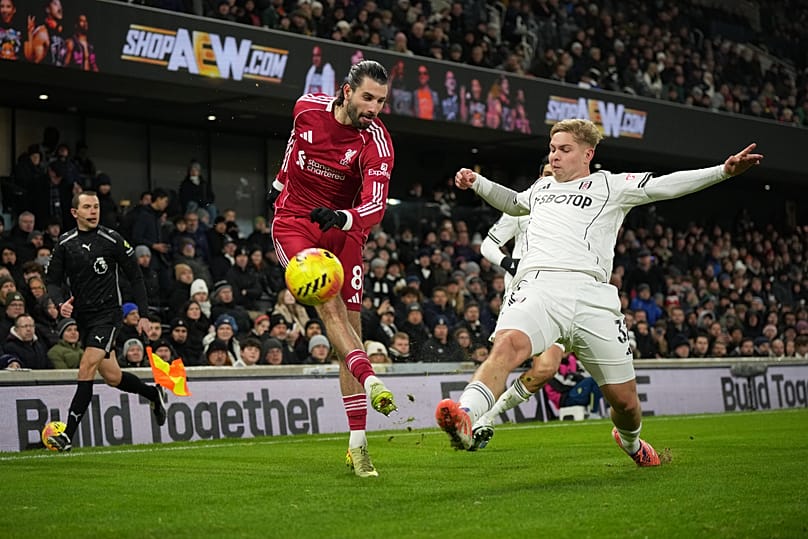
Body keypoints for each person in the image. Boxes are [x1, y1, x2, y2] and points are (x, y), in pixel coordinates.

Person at [436, 118, 762, 466]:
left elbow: (666, 186)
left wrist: (723, 172)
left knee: (625, 404)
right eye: (552, 149)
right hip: (541, 287)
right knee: (508, 345)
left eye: (564, 150)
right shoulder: (541, 189)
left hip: (593, 298)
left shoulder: (611, 186)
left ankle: (631, 442)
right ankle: (466, 415)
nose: (555, 156)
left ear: (588, 153)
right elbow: (515, 202)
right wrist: (478, 182)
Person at [268, 60, 396, 478]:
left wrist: (344, 218)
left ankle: (357, 445)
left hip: (344, 227)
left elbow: (375, 206)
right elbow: (293, 149)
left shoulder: (377, 142)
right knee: (328, 306)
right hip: (294, 222)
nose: (374, 108)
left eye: (381, 100)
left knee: (350, 333)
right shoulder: (305, 107)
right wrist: (278, 183)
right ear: (345, 91)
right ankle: (372, 379)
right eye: (368, 98)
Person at [44, 191, 168, 452]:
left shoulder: (112, 239)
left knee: (86, 366)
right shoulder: (65, 243)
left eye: (96, 206)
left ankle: (67, 435)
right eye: (87, 207)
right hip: (84, 318)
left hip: (109, 315)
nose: (93, 211)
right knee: (112, 376)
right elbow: (52, 281)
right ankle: (153, 394)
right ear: (74, 213)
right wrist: (60, 303)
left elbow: (136, 277)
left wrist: (144, 315)